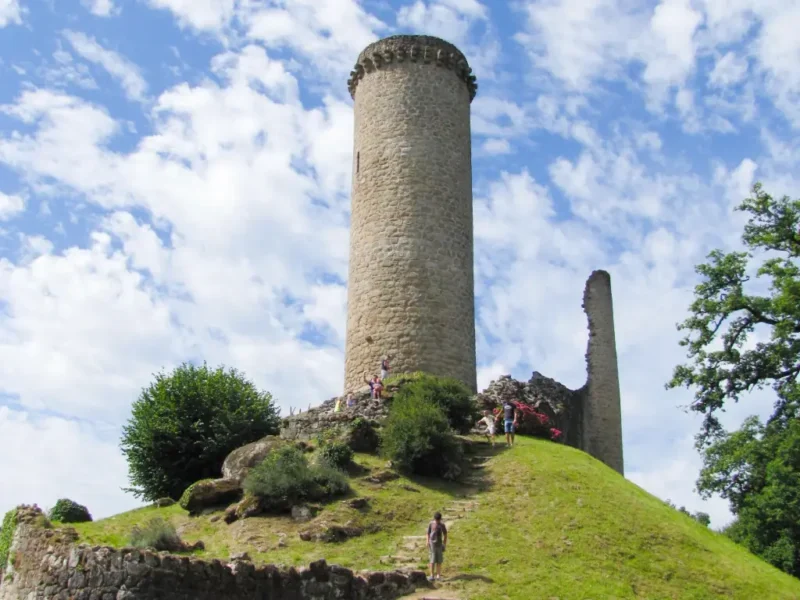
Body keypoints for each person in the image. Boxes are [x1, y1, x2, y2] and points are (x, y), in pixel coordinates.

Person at [426, 511, 448, 581]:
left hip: (439, 544)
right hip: (432, 545)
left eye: (438, 520)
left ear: (440, 519)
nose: (437, 521)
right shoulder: (431, 524)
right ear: (434, 519)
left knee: (439, 560)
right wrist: (427, 541)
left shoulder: (442, 525)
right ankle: (432, 575)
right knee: (432, 560)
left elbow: (445, 534)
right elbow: (428, 533)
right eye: (436, 520)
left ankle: (438, 575)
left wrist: (444, 544)